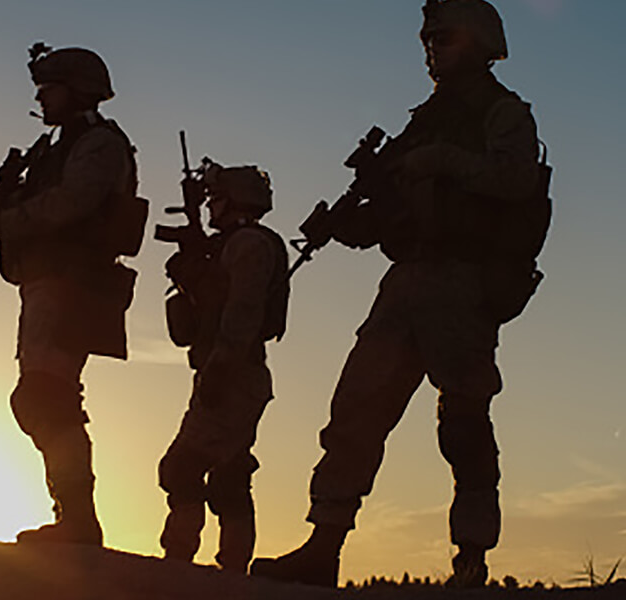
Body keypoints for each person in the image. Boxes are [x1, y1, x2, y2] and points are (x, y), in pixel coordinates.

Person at [252, 0, 546, 587]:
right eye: (429, 38)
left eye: (445, 37)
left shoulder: (503, 113)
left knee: (462, 425)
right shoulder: (426, 118)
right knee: (356, 409)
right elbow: (392, 215)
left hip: (463, 284)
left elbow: (515, 181)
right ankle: (324, 545)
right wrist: (350, 224)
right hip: (406, 281)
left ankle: (471, 560)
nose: (433, 48)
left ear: (481, 41)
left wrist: (439, 161)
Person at [0, 44, 142, 547]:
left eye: (48, 88)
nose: (40, 98)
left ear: (76, 88)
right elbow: (37, 199)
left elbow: (73, 203)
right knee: (41, 399)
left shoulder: (100, 144)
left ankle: (78, 521)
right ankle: (73, 517)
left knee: (46, 399)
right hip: (46, 282)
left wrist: (1, 221)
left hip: (72, 284)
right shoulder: (57, 148)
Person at [156, 165, 289, 573]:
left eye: (216, 198)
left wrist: (221, 366)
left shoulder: (248, 244)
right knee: (229, 472)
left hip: (234, 372)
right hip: (231, 370)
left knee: (182, 466)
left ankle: (181, 557)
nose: (211, 205)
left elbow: (243, 312)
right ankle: (233, 567)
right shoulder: (232, 244)